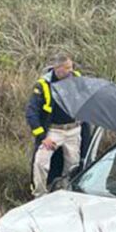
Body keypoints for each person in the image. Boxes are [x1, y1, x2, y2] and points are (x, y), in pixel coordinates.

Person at [27, 53, 83, 197]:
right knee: (41, 162)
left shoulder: (76, 78)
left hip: (73, 129)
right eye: (67, 68)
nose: (71, 70)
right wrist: (42, 137)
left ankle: (65, 192)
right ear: (58, 70)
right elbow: (31, 113)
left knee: (73, 165)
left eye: (71, 67)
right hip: (54, 131)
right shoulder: (43, 84)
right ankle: (39, 194)